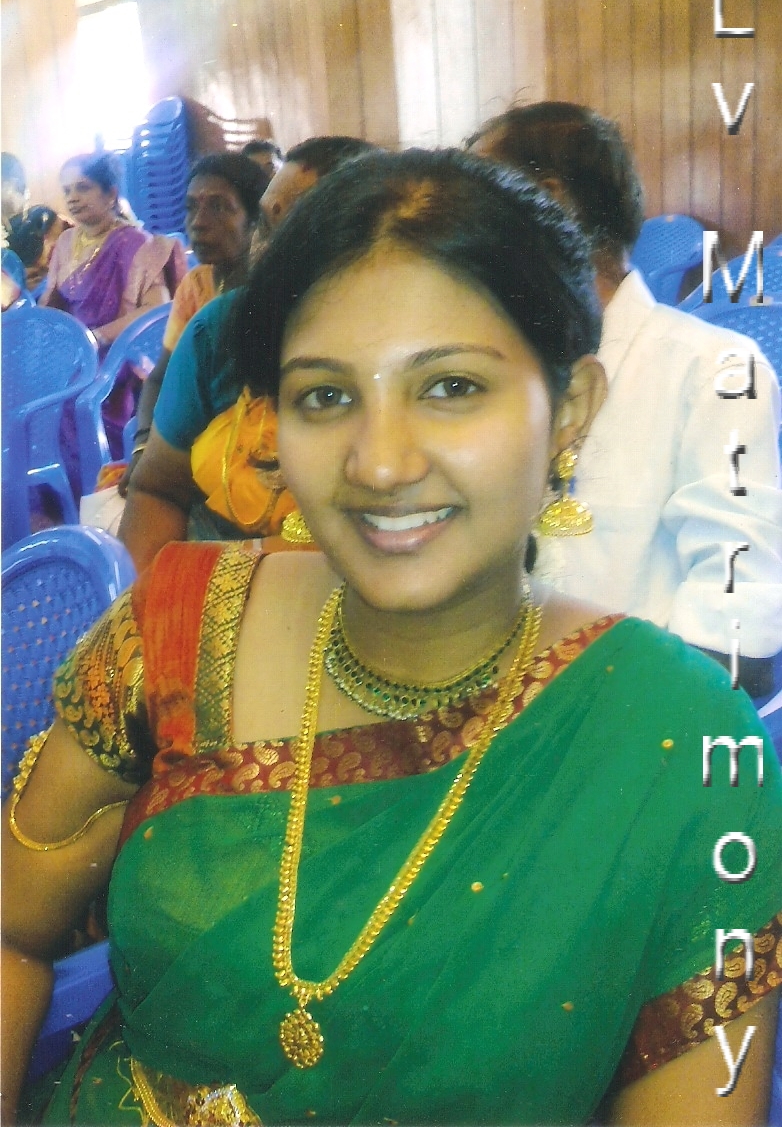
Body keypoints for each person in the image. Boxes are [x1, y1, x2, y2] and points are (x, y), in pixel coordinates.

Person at [3, 149, 780, 1127]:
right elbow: (12, 929)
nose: (379, 462)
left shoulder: (679, 750)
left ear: (569, 413)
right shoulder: (175, 631)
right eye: (325, 396)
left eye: (450, 386)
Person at [468, 103, 782, 696]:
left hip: (637, 714)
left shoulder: (712, 369)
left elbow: (738, 633)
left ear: (550, 203)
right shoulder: (495, 366)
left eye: (473, 205)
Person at [118, 136, 378, 572]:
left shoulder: (412, 344)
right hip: (227, 577)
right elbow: (157, 491)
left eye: (299, 228)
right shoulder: (220, 329)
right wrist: (152, 601)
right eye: (267, 224)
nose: (266, 249)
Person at [116, 153, 269, 496]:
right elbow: (159, 378)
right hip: (193, 451)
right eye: (191, 208)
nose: (198, 222)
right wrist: (143, 448)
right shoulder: (196, 286)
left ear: (254, 220)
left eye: (219, 207)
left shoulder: (271, 291)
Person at [39, 151, 186, 472]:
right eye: (67, 190)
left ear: (110, 194)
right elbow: (52, 305)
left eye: (83, 188)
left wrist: (98, 338)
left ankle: (94, 487)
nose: (73, 198)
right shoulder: (65, 242)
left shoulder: (135, 243)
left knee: (70, 405)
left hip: (118, 358)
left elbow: (157, 308)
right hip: (74, 355)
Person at [2, 152, 71, 293]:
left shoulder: (44, 219)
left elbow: (64, 268)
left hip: (45, 298)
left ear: (10, 184)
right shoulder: (5, 227)